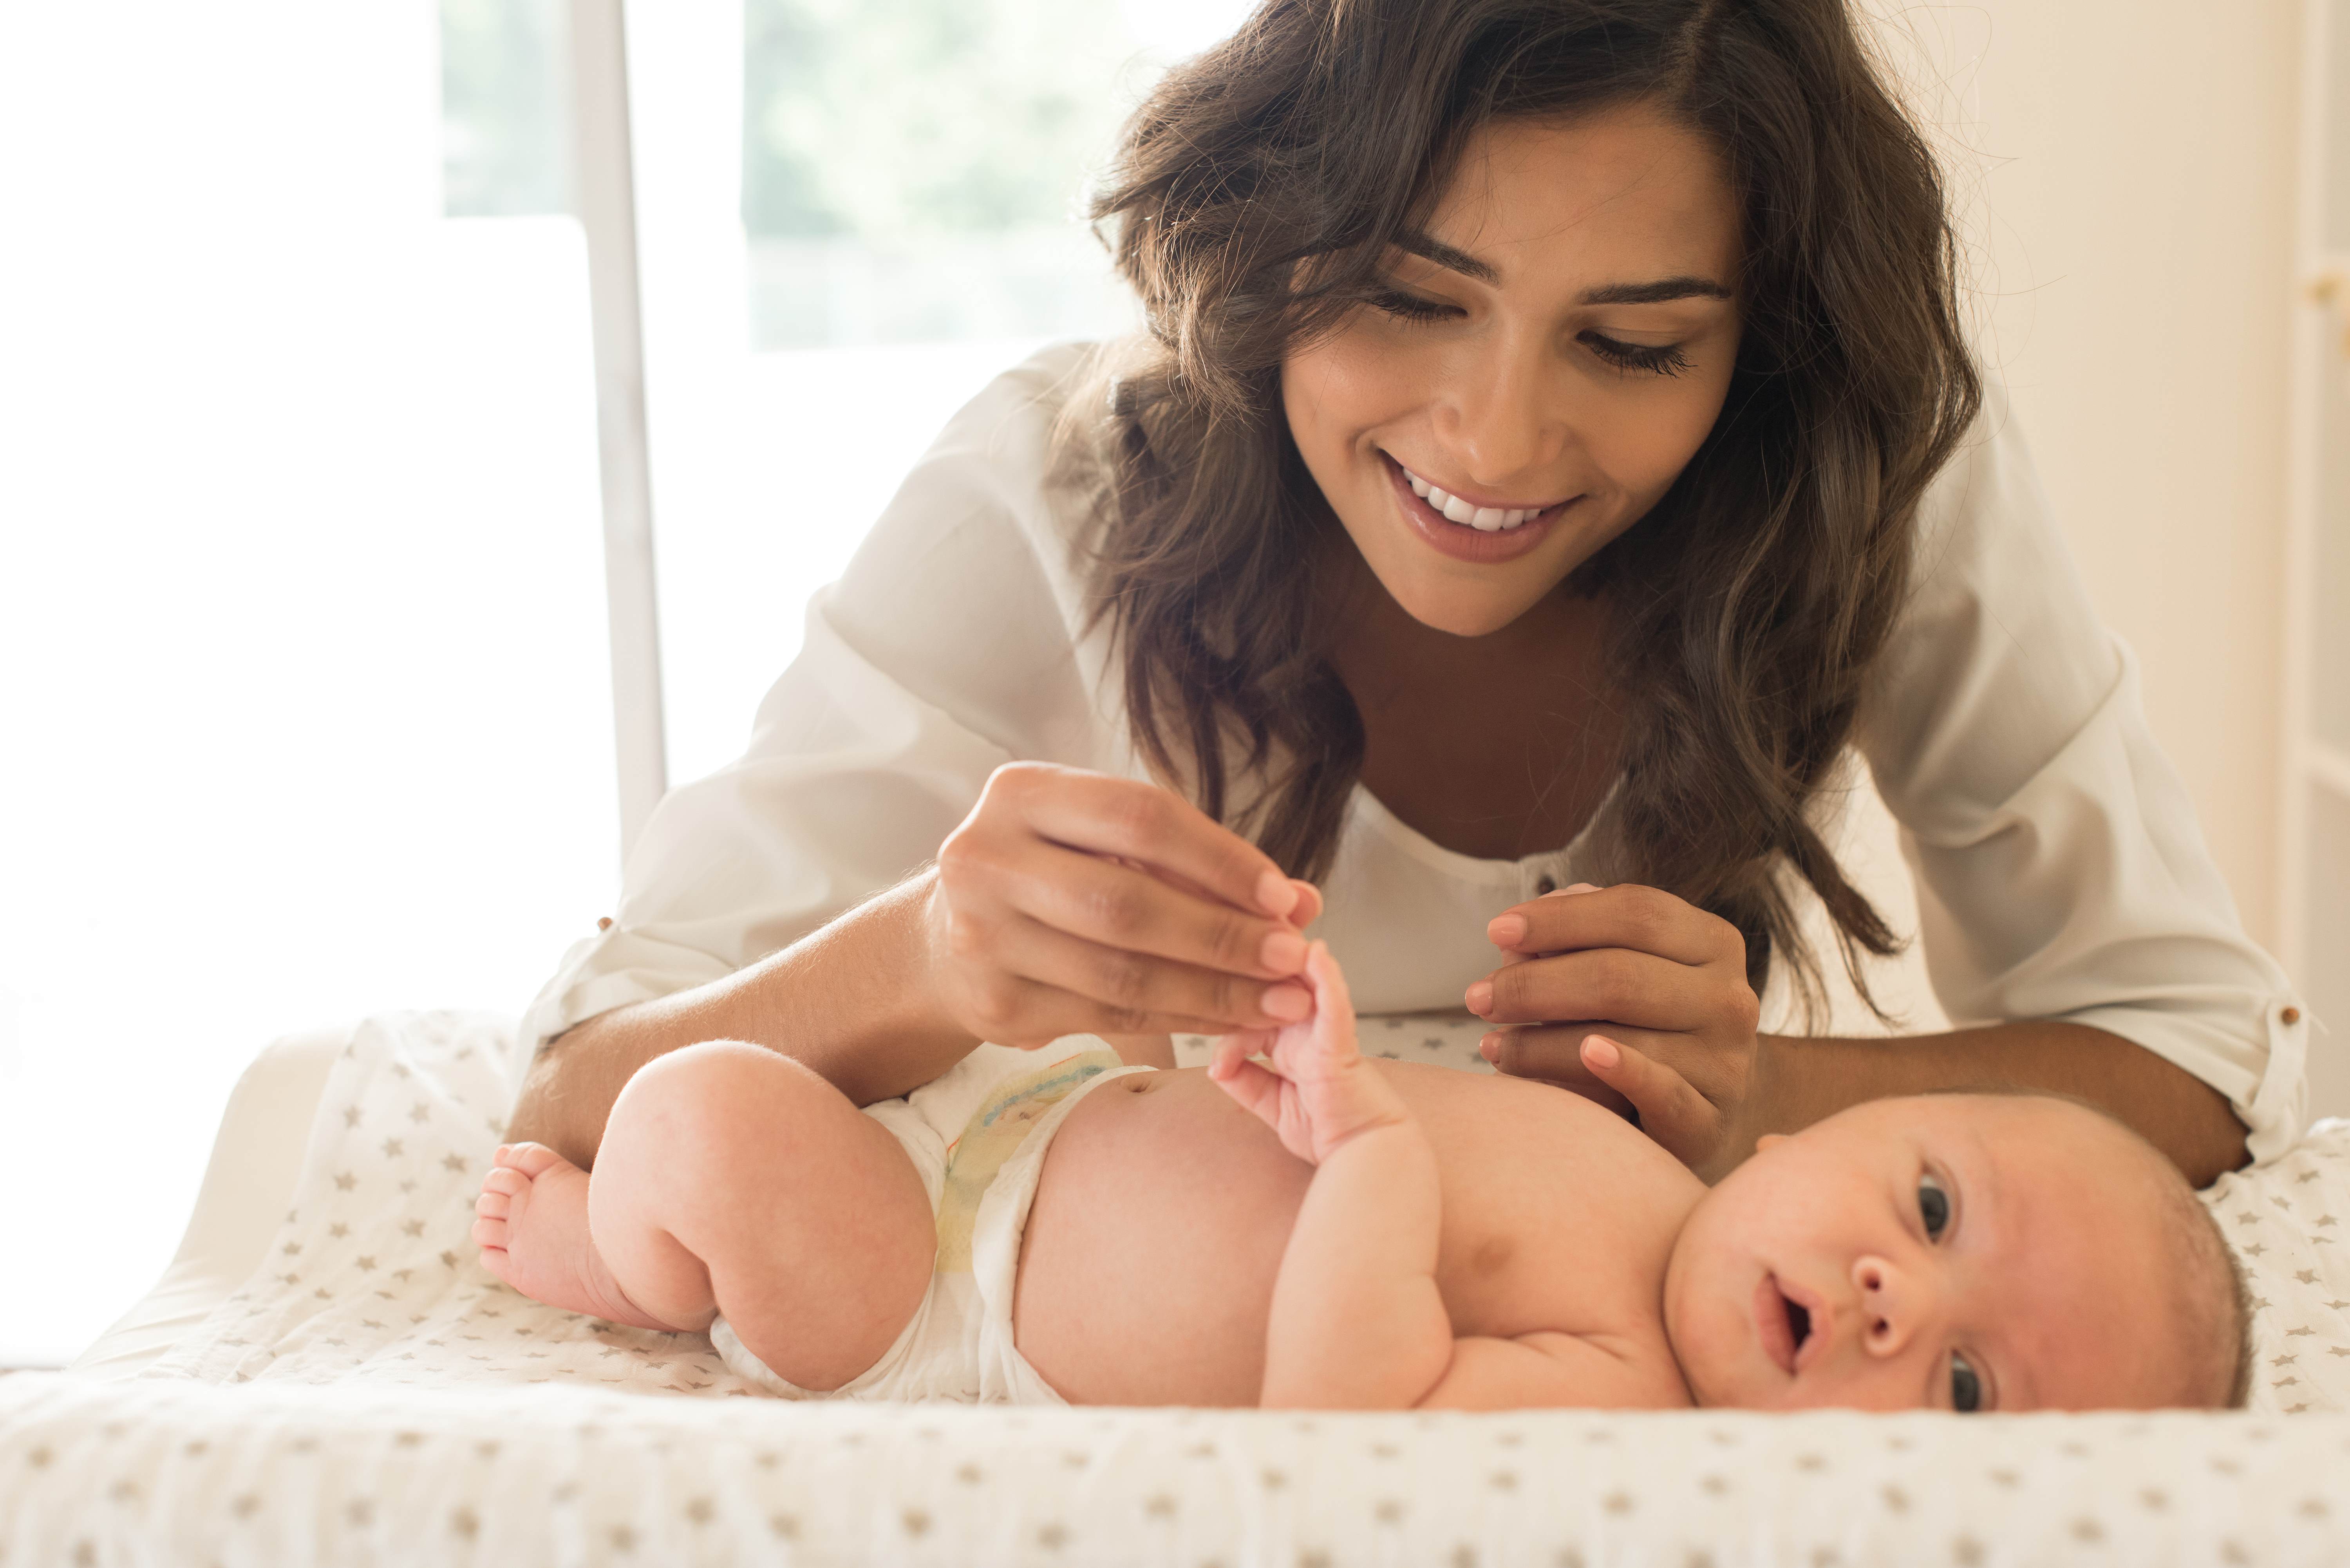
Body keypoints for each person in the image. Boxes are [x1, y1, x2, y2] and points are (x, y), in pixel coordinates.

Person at [507, 0, 2305, 1189]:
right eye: (1410, 298)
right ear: (1266, 234)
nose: (1496, 438)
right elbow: (583, 1083)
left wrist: (1764, 1101)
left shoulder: (1861, 475)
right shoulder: (1054, 486)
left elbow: (2191, 1057)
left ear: (1762, 355)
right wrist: (922, 957)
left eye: (1629, 341)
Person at [473, 941, 2252, 1412]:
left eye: (1960, 1384)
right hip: (1064, 1120)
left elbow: (1348, 1410)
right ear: (1797, 1128)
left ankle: (624, 1263)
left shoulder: (1635, 1396)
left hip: (949, 1281)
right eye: (1930, 1210)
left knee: (708, 1115)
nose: (1896, 1291)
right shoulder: (1650, 1175)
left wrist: (1375, 1145)